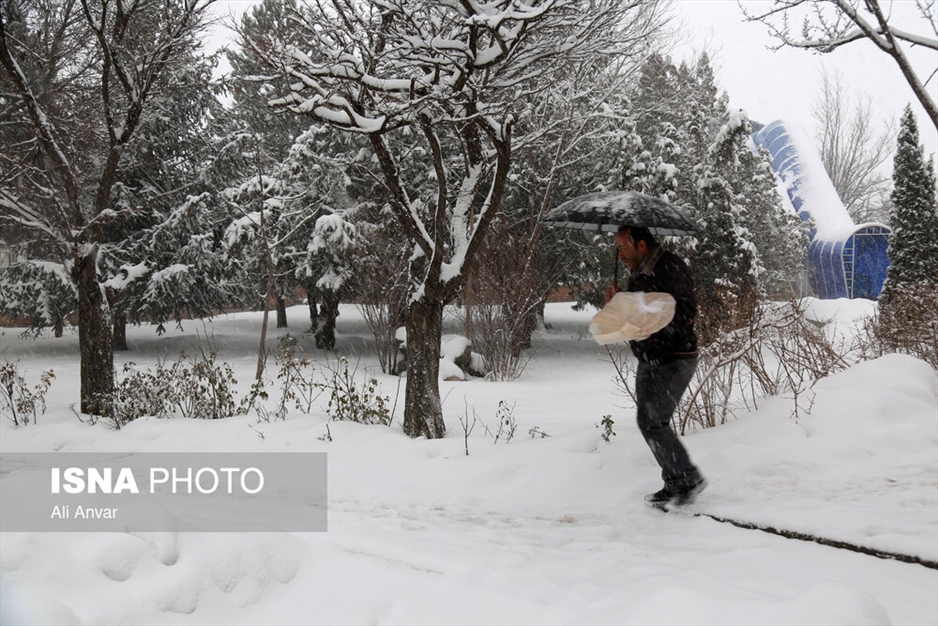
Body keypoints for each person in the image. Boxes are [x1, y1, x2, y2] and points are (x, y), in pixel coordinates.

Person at [604, 226, 706, 507]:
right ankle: (676, 481)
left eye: (623, 247)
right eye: (617, 249)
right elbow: (641, 309)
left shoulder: (669, 267)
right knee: (648, 421)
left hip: (674, 357)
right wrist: (618, 302)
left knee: (653, 421)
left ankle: (688, 478)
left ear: (642, 245)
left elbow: (685, 311)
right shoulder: (641, 272)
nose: (620, 254)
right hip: (652, 357)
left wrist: (654, 333)